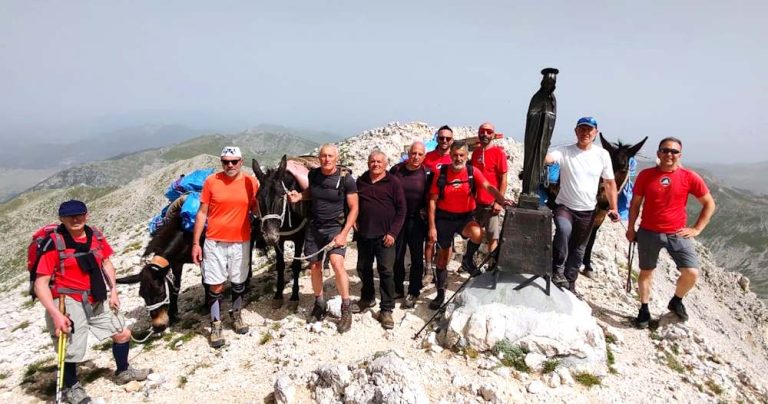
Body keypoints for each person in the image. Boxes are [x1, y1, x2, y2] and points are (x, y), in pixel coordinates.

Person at [35, 200, 150, 404]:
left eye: (79, 214)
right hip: (67, 298)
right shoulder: (55, 243)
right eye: (70, 216)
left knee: (122, 333)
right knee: (71, 347)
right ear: (62, 219)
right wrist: (55, 314)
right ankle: (71, 387)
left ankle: (123, 371)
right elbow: (41, 283)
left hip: (96, 295)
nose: (76, 219)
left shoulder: (95, 235)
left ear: (86, 215)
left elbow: (106, 262)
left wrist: (113, 290)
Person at [626, 137, 715, 328]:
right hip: (649, 231)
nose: (669, 154)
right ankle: (644, 308)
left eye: (674, 151)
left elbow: (709, 203)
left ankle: (677, 299)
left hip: (677, 233)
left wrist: (696, 229)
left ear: (680, 155)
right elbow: (635, 204)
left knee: (691, 272)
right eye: (665, 150)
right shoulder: (645, 175)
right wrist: (630, 228)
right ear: (658, 153)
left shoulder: (689, 176)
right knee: (646, 272)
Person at [427, 141, 512, 310]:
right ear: (450, 155)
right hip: (444, 218)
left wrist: (501, 199)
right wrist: (432, 227)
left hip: (465, 217)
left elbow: (488, 186)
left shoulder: (473, 172)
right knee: (443, 258)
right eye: (455, 155)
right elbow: (432, 201)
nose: (458, 158)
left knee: (478, 233)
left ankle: (467, 260)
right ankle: (441, 294)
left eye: (461, 155)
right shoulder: (441, 173)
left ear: (466, 156)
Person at [287, 144, 359, 333]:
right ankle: (319, 303)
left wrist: (344, 234)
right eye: (323, 156)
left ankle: (346, 307)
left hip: (335, 227)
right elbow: (312, 192)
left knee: (337, 263)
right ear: (319, 158)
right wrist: (299, 197)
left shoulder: (346, 180)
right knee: (314, 266)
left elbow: (354, 208)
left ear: (336, 157)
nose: (326, 159)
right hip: (315, 227)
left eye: (330, 156)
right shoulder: (314, 175)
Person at [192, 146, 259, 348]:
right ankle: (216, 323)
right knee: (215, 283)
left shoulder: (250, 182)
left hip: (241, 240)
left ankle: (236, 315)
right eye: (226, 161)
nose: (230, 165)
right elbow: (202, 213)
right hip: (215, 241)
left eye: (234, 161)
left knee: (239, 281)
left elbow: (257, 207)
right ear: (221, 162)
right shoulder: (212, 181)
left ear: (241, 161)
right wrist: (196, 243)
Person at [544, 117, 619, 298]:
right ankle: (557, 271)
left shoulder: (602, 155)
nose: (585, 133)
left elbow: (609, 182)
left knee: (578, 249)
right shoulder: (564, 151)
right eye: (582, 129)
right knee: (563, 231)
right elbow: (548, 158)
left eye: (589, 130)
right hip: (565, 206)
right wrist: (541, 148)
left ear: (595, 133)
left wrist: (614, 207)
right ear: (576, 131)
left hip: (587, 210)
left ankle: (570, 283)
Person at [352, 150, 406, 329]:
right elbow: (352, 204)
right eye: (372, 161)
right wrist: (353, 222)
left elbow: (401, 210)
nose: (375, 164)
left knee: (386, 272)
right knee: (363, 268)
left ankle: (387, 309)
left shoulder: (393, 182)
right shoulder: (361, 181)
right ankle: (367, 298)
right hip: (364, 235)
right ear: (368, 163)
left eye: (379, 161)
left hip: (385, 237)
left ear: (385, 163)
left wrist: (393, 233)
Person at [390, 142, 432, 309]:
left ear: (424, 156)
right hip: (398, 219)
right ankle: (398, 288)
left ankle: (414, 291)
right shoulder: (396, 170)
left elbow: (432, 198)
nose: (416, 157)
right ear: (408, 153)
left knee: (416, 257)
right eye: (413, 153)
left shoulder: (427, 173)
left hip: (417, 221)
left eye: (420, 154)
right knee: (397, 255)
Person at [422, 125, 454, 283]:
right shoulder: (428, 157)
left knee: (447, 242)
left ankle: (441, 270)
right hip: (430, 204)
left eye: (448, 138)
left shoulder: (454, 158)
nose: (444, 141)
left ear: (452, 140)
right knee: (430, 238)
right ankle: (428, 269)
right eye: (441, 138)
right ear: (437, 138)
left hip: (449, 206)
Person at [470, 122, 509, 253]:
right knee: (475, 233)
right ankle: (469, 263)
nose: (485, 134)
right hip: (476, 203)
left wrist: (499, 201)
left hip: (491, 204)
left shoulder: (499, 153)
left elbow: (504, 179)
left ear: (493, 134)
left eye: (488, 132)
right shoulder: (475, 153)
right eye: (482, 131)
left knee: (492, 237)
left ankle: (492, 266)